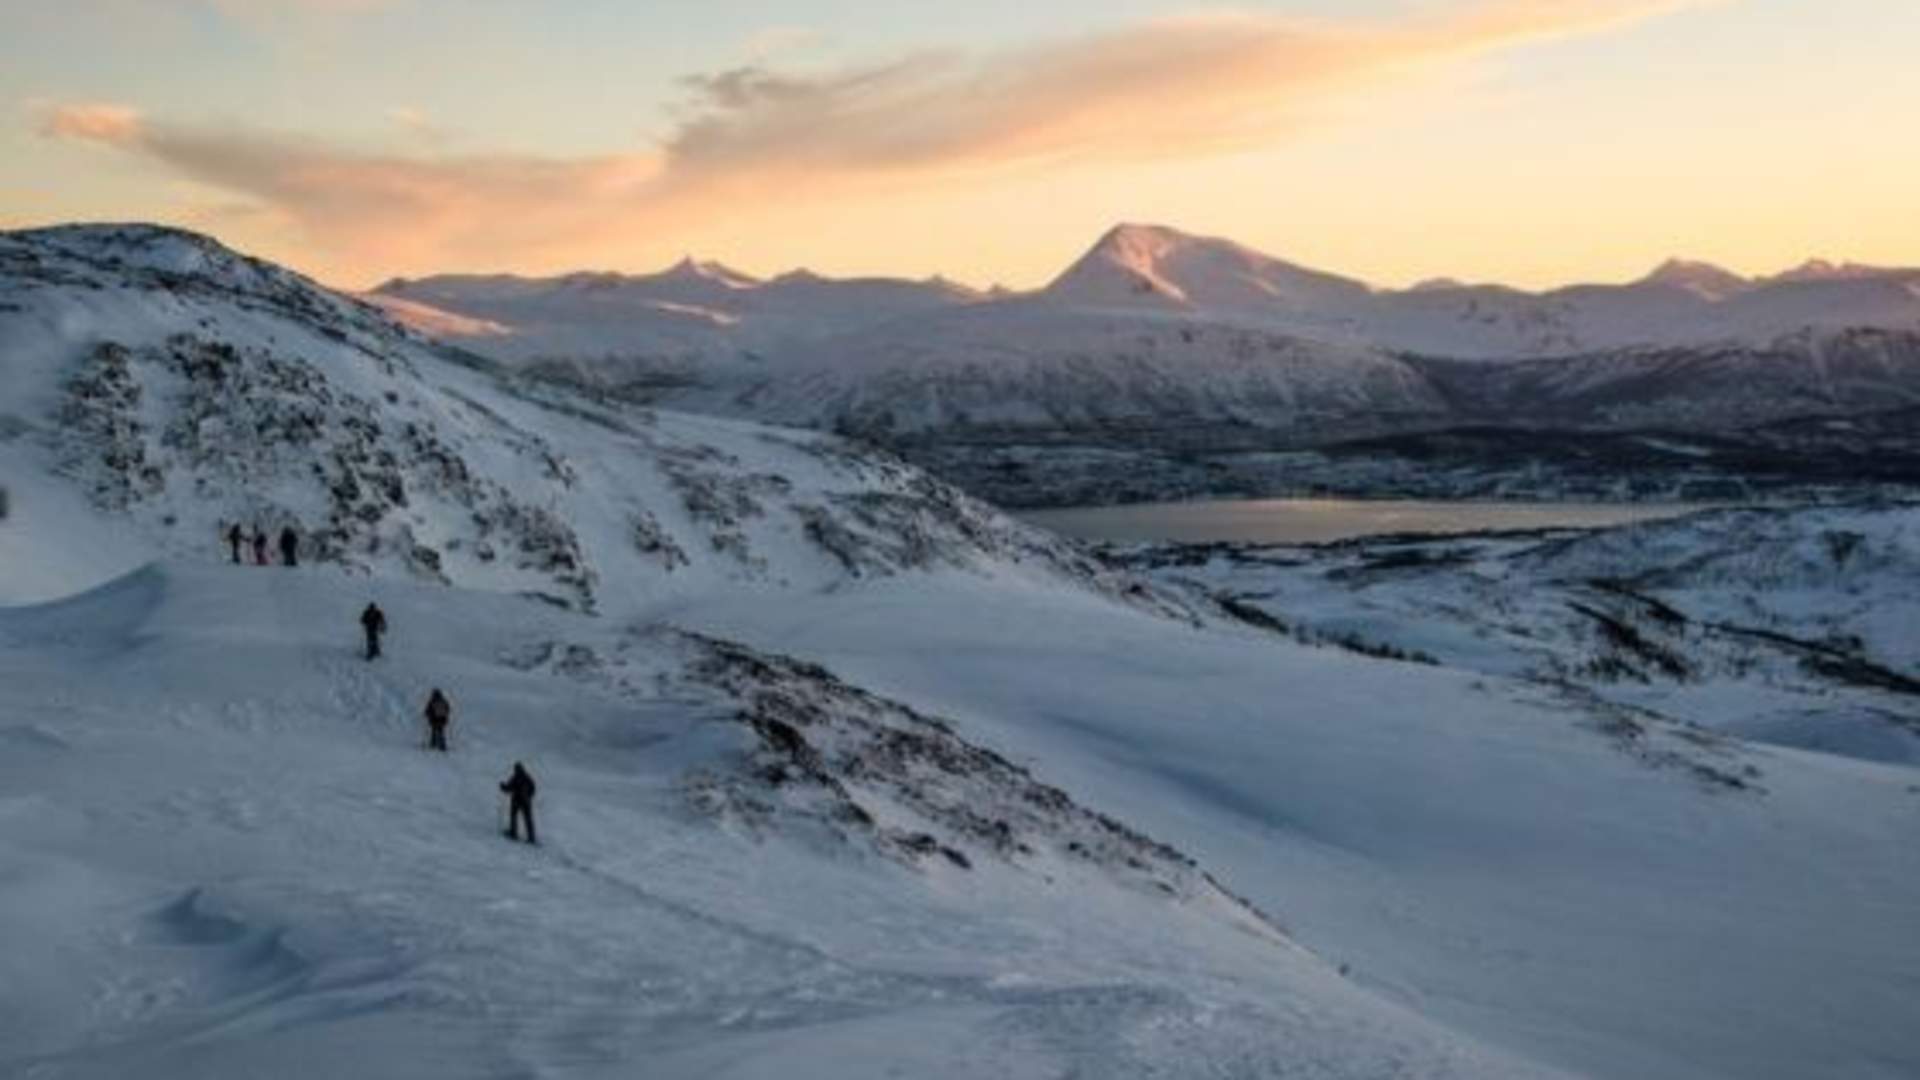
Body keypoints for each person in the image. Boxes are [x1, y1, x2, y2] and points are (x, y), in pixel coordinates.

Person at [500, 762, 537, 844]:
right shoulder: (527, 777)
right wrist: (529, 796)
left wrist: (503, 787)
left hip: (516, 801)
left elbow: (508, 788)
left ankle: (513, 832)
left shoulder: (515, 777)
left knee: (514, 816)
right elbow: (533, 788)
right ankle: (531, 837)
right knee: (527, 818)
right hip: (526, 802)